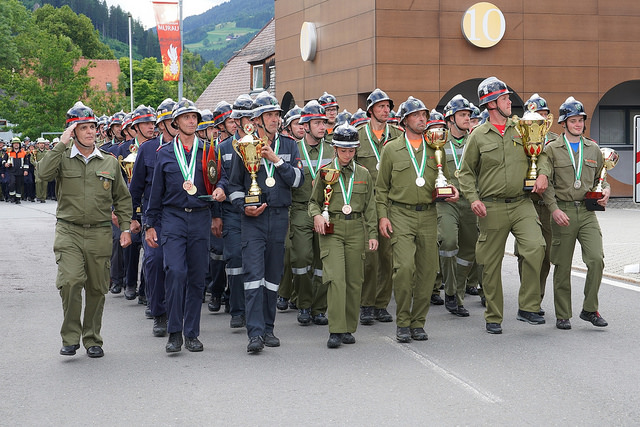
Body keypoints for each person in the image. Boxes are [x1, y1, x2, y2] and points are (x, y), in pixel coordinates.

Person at [37, 101, 132, 358]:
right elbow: (42, 174)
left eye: (92, 127)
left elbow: (122, 198)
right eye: (83, 128)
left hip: (100, 232)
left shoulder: (109, 162)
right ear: (72, 132)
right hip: (68, 230)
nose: (90, 132)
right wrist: (61, 144)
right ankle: (70, 337)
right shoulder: (62, 158)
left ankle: (92, 338)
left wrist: (125, 227)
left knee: (97, 287)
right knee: (70, 282)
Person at [458, 77, 548, 335]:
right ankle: (493, 315)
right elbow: (465, 172)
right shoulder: (478, 135)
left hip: (522, 203)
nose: (510, 102)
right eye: (505, 98)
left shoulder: (522, 127)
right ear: (491, 104)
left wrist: (542, 173)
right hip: (491, 207)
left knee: (536, 247)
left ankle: (528, 307)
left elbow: (541, 154)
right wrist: (474, 199)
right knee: (489, 264)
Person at [145, 98, 227, 353]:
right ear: (176, 123)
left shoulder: (209, 150)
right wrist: (149, 224)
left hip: (201, 216)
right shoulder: (165, 153)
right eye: (186, 117)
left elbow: (221, 178)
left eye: (194, 117)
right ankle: (174, 332)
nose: (192, 121)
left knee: (196, 277)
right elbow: (155, 192)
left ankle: (191, 333)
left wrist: (221, 190)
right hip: (173, 218)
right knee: (176, 272)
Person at [376, 96, 459, 343]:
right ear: (404, 121)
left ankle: (418, 322)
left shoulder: (435, 147)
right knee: (404, 269)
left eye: (424, 115)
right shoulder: (391, 149)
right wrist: (382, 217)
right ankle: (403, 321)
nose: (422, 119)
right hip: (400, 214)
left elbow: (446, 179)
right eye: (416, 115)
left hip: (429, 214)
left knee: (427, 271)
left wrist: (453, 191)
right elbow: (381, 189)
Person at [227, 91, 304, 353]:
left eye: (276, 115)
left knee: (272, 277)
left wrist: (277, 161)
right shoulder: (244, 146)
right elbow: (234, 187)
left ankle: (269, 328)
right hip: (253, 221)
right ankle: (255, 333)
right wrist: (243, 207)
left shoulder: (290, 145)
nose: (274, 119)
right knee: (253, 276)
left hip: (280, 217)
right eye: (269, 115)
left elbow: (298, 180)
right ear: (257, 120)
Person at [539, 96, 610, 330]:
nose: (578, 124)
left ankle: (589, 309)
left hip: (588, 212)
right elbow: (547, 183)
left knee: (596, 259)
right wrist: (554, 209)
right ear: (563, 123)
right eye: (573, 120)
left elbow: (602, 178)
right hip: (563, 211)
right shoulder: (552, 149)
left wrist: (606, 191)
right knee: (562, 265)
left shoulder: (593, 148)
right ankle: (563, 314)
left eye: (580, 120)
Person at [309, 123, 378, 348]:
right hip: (333, 229)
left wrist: (372, 234)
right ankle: (336, 329)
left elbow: (370, 207)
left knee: (354, 280)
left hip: (357, 228)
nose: (347, 155)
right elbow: (313, 202)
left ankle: (348, 327)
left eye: (351, 150)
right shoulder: (325, 172)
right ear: (335, 149)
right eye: (343, 150)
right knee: (336, 279)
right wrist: (317, 216)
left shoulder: (364, 174)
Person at [356, 88, 403, 325]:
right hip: (366, 205)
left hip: (391, 203)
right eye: (381, 106)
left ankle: (381, 304)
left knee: (388, 256)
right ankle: (366, 303)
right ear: (371, 110)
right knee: (369, 255)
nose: (386, 110)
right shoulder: (358, 136)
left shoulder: (398, 135)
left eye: (388, 107)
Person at [129, 98, 176, 337]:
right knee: (155, 262)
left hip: (179, 216)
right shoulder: (148, 149)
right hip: (154, 217)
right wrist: (133, 218)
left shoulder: (190, 148)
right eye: (171, 120)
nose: (176, 124)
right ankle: (159, 313)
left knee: (177, 267)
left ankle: (176, 312)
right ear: (162, 124)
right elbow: (135, 188)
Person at [290, 100, 334, 326]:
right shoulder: (294, 150)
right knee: (301, 259)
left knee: (322, 261)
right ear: (305, 126)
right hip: (300, 210)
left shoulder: (333, 149)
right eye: (317, 123)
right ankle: (304, 303)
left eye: (323, 123)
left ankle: (318, 308)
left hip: (326, 210)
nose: (322, 127)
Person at [514, 93, 558, 315]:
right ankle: (528, 298)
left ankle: (536, 298)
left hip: (549, 204)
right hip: (526, 202)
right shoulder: (518, 136)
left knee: (546, 255)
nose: (538, 118)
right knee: (526, 253)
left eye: (542, 114)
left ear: (548, 117)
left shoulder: (555, 141)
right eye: (533, 114)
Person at [439, 96, 477, 317]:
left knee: (468, 250)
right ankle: (450, 289)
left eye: (468, 115)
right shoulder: (439, 142)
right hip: (448, 202)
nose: (467, 118)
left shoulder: (476, 140)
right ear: (450, 119)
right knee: (448, 241)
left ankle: (457, 294)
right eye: (462, 115)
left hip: (471, 201)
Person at [218, 94, 253, 328]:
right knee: (235, 259)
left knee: (254, 262)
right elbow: (218, 179)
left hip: (256, 210)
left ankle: (252, 308)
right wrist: (216, 215)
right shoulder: (223, 147)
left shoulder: (260, 144)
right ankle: (237, 310)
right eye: (244, 118)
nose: (249, 122)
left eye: (252, 117)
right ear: (236, 121)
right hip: (231, 212)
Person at [2, 137, 30, 204]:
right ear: (12, 145)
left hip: (20, 171)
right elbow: (4, 160)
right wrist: (5, 164)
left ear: (19, 144)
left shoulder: (23, 153)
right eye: (14, 143)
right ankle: (12, 196)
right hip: (11, 171)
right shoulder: (9, 152)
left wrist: (26, 170)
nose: (16, 145)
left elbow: (26, 163)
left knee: (19, 185)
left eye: (17, 143)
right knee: (12, 183)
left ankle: (18, 199)